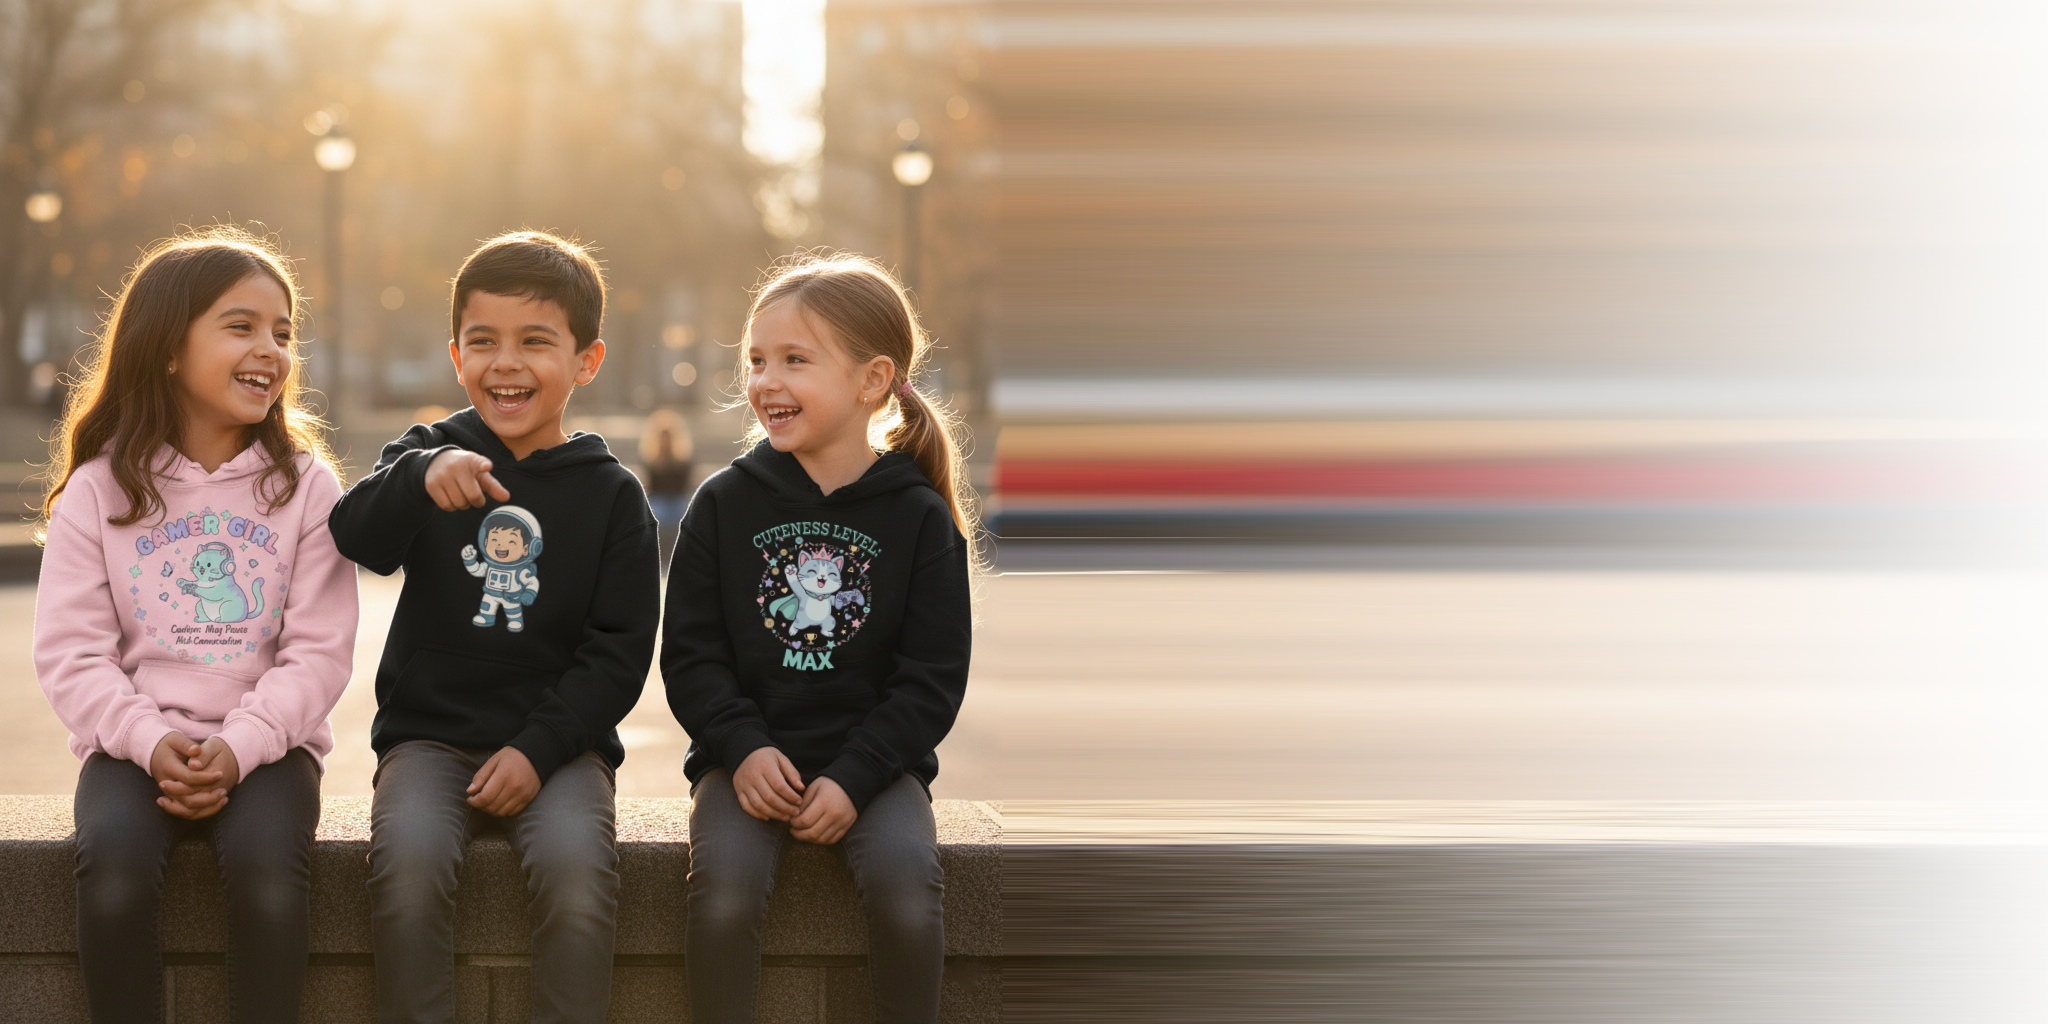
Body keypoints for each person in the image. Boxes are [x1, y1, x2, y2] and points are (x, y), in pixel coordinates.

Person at [327, 231, 659, 1024]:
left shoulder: (612, 497)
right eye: (484, 342)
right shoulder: (429, 455)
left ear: (586, 360)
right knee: (405, 872)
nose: (505, 363)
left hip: (560, 749)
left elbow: (616, 657)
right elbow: (355, 537)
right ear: (456, 355)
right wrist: (416, 477)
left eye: (535, 342)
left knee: (579, 878)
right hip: (428, 739)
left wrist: (537, 749)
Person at [33, 227, 358, 1024]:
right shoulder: (99, 489)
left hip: (270, 749)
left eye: (283, 332)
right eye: (240, 325)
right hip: (131, 747)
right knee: (110, 873)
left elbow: (318, 655)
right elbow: (72, 653)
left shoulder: (307, 489)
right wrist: (146, 740)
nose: (271, 350)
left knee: (268, 877)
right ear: (168, 347)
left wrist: (240, 746)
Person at [663, 252, 978, 1024]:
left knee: (908, 890)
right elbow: (692, 656)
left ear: (872, 379)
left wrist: (857, 775)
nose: (767, 380)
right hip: (748, 764)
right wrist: (741, 747)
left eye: (795, 361)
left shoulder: (918, 516)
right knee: (724, 895)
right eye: (756, 360)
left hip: (877, 766)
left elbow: (931, 676)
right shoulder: (721, 504)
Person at [639, 408, 697, 572]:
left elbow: (686, 483)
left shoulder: (682, 459)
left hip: (677, 499)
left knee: (680, 512)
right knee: (658, 512)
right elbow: (649, 487)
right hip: (659, 501)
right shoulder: (651, 460)